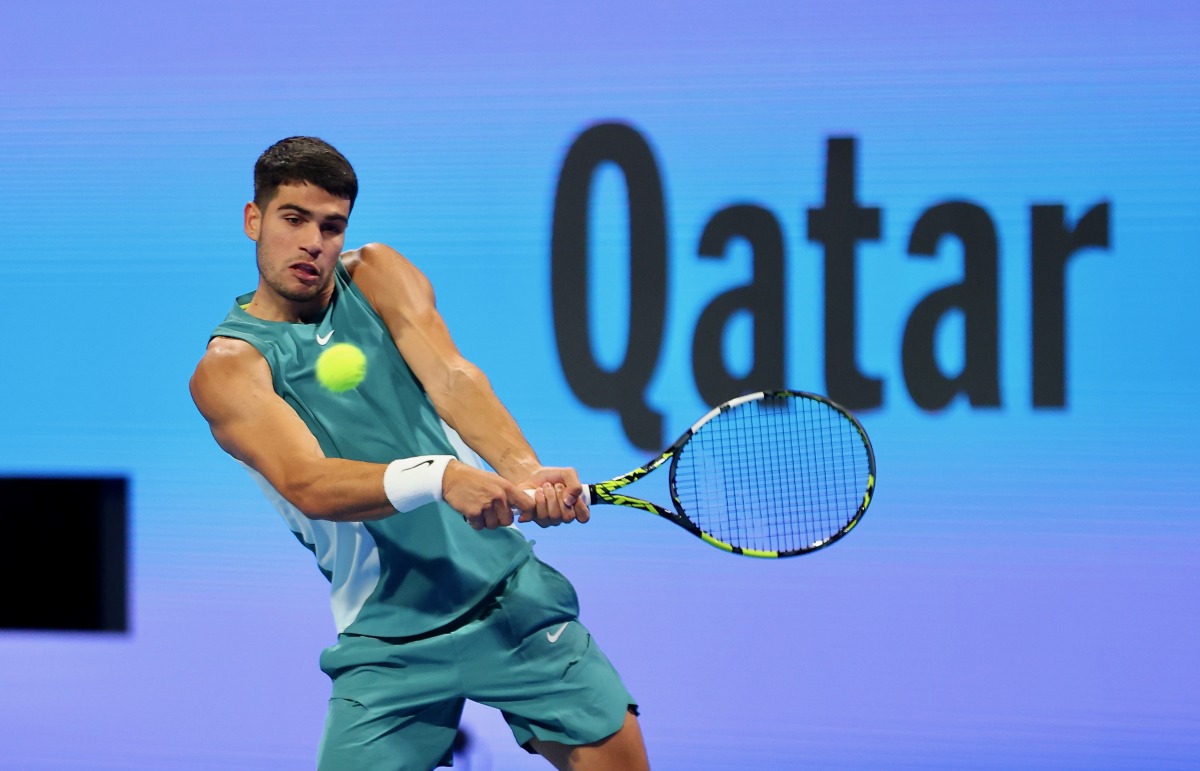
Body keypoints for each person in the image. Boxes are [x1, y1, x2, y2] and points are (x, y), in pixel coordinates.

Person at [189, 136, 650, 771]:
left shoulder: (376, 274)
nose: (312, 243)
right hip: (388, 639)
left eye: (331, 226)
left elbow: (453, 378)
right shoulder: (230, 367)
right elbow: (309, 483)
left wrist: (523, 469)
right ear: (253, 220)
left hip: (507, 597)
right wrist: (441, 476)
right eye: (293, 219)